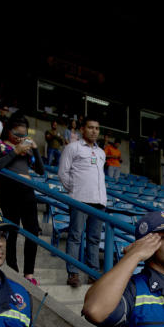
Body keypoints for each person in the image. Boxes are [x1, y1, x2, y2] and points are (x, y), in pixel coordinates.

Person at [0, 113, 45, 285]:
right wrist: (15, 151)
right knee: (12, 229)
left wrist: (34, 148)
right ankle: (12, 269)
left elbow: (40, 170)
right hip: (8, 188)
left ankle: (29, 273)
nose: (20, 138)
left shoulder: (26, 149)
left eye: (24, 135)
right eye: (17, 134)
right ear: (8, 130)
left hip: (26, 190)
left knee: (32, 231)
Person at [59, 117, 106, 288]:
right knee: (75, 236)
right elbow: (63, 173)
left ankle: (93, 273)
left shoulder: (101, 153)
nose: (94, 131)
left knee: (94, 239)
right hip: (80, 200)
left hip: (99, 201)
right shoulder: (73, 147)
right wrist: (75, 190)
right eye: (91, 127)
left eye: (97, 128)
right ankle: (73, 273)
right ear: (82, 129)